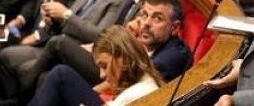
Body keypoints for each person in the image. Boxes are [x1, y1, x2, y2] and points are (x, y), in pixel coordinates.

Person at [0, 0, 130, 103]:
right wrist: (52, 19)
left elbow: (99, 35)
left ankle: (24, 86)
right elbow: (67, 22)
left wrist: (65, 14)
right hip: (57, 46)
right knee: (4, 55)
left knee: (57, 45)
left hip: (85, 53)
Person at [28, 26, 162, 106]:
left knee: (61, 74)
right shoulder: (142, 82)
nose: (101, 75)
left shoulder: (139, 94)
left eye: (104, 66)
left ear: (123, 58)